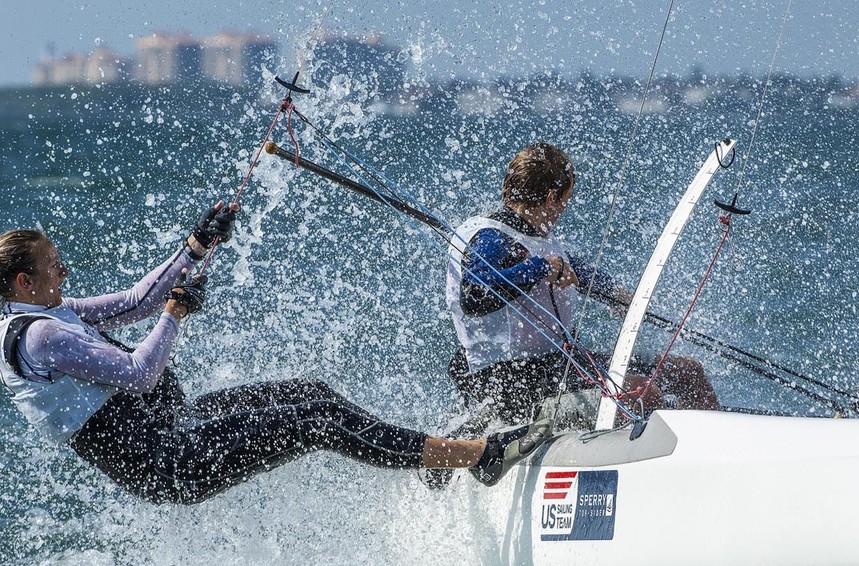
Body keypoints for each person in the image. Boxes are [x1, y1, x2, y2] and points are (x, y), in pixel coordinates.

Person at [0, 203, 549, 503]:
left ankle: (444, 458)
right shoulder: (41, 337)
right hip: (170, 463)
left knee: (312, 395)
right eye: (54, 265)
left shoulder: (47, 314)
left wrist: (195, 248)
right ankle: (478, 456)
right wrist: (177, 314)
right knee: (320, 420)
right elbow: (141, 373)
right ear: (25, 282)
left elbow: (134, 302)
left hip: (175, 426)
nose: (64, 270)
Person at [446, 142, 719, 422]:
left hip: (556, 366)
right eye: (565, 200)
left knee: (688, 372)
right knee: (641, 393)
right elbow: (474, 295)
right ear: (551, 197)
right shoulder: (491, 237)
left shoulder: (532, 233)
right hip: (511, 382)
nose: (563, 209)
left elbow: (576, 270)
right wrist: (540, 268)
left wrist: (617, 294)